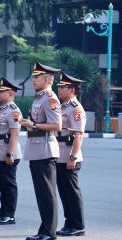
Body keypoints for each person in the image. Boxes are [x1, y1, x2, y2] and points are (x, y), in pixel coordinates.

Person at [20, 62, 62, 240]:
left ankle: (49, 232)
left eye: (36, 77)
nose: (33, 80)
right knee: (41, 193)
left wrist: (34, 125)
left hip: (45, 150)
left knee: (47, 192)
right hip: (36, 149)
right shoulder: (39, 98)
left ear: (47, 79)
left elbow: (57, 125)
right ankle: (44, 229)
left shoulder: (50, 98)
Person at [0, 78, 22, 225]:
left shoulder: (13, 110)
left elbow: (14, 134)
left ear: (11, 94)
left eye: (2, 91)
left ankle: (9, 214)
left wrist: (10, 153)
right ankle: (3, 212)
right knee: (2, 186)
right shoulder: (3, 109)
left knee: (8, 185)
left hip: (8, 153)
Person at [55, 72, 86, 237]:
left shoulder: (75, 108)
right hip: (59, 155)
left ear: (72, 90)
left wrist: (72, 157)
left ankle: (78, 225)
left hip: (69, 156)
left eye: (63, 87)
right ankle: (69, 223)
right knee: (64, 192)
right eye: (59, 87)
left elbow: (78, 135)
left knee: (72, 192)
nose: (59, 90)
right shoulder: (63, 106)